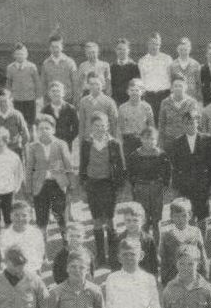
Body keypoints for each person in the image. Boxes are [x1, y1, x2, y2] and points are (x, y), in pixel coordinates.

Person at [79, 112, 126, 267]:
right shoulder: (86, 143)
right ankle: (100, 256)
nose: (100, 128)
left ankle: (113, 255)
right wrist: (83, 186)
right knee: (97, 220)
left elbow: (120, 167)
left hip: (108, 185)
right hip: (93, 185)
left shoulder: (114, 143)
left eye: (103, 125)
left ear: (107, 126)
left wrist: (119, 187)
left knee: (110, 220)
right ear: (92, 127)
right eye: (96, 126)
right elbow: (83, 166)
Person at [24, 114, 75, 240]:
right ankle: (43, 251)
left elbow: (68, 166)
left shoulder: (60, 144)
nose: (44, 131)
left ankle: (66, 243)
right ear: (37, 131)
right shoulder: (32, 147)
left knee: (61, 217)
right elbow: (29, 169)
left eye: (47, 128)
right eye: (41, 128)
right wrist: (29, 190)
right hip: (40, 186)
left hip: (57, 185)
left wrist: (71, 186)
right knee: (42, 220)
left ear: (53, 129)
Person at [169, 109, 211, 226]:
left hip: (202, 185)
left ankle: (202, 242)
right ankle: (191, 242)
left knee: (202, 217)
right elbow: (174, 166)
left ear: (197, 122)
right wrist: (176, 187)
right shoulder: (177, 142)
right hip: (185, 186)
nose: (189, 126)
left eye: (192, 122)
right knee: (188, 217)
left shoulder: (207, 139)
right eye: (186, 123)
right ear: (183, 125)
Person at [126, 125, 172, 237]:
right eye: (146, 138)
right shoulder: (135, 155)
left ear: (157, 140)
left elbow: (168, 172)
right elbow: (130, 173)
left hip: (156, 188)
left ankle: (157, 247)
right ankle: (145, 246)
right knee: (143, 219)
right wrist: (136, 187)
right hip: (141, 189)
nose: (149, 141)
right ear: (141, 139)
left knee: (157, 220)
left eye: (152, 139)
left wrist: (164, 186)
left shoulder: (161, 155)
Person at [159, 198, 207, 287]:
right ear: (171, 216)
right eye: (176, 216)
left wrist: (205, 275)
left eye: (184, 216)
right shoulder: (167, 235)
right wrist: (164, 280)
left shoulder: (195, 232)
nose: (180, 219)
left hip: (192, 277)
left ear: (190, 215)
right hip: (173, 278)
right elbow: (164, 260)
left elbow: (202, 256)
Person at [0, 201, 45, 275]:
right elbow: (4, 256)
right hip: (12, 272)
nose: (20, 218)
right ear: (10, 216)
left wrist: (37, 270)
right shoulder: (4, 235)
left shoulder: (36, 233)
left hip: (32, 271)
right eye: (16, 215)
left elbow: (40, 253)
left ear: (30, 217)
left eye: (24, 215)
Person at [115, 201, 159, 275]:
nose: (131, 224)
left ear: (143, 221)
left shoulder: (148, 240)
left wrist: (154, 280)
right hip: (125, 277)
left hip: (144, 277)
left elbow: (153, 264)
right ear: (124, 221)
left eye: (135, 220)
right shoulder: (119, 239)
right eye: (128, 220)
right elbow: (115, 264)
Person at [138, 33, 174, 120]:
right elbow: (142, 80)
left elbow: (171, 77)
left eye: (156, 44)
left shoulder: (167, 59)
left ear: (160, 44)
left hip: (165, 95)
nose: (154, 46)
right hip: (149, 97)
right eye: (151, 43)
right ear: (148, 44)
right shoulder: (142, 61)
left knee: (165, 121)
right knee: (151, 121)